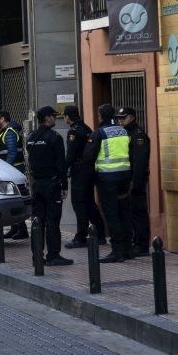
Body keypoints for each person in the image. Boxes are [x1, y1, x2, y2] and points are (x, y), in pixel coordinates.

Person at [84, 105, 132, 263]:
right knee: (123, 212)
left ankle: (117, 250)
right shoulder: (123, 131)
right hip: (125, 177)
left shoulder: (99, 133)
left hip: (107, 179)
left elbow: (88, 157)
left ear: (100, 116)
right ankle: (127, 249)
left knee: (111, 214)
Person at [26, 106, 72, 266]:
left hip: (37, 184)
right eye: (53, 116)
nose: (55, 118)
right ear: (47, 118)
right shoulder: (54, 138)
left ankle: (37, 256)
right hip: (51, 184)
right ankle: (53, 255)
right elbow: (61, 164)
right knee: (53, 221)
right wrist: (64, 184)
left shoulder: (31, 137)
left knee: (38, 221)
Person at [62, 105, 106, 249]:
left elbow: (71, 154)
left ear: (68, 117)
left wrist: (63, 169)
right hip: (89, 170)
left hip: (79, 171)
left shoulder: (74, 132)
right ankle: (100, 234)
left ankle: (80, 237)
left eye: (64, 116)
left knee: (79, 203)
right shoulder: (87, 128)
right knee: (89, 203)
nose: (64, 119)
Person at [117, 107, 151, 257]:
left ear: (131, 117)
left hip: (135, 181)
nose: (119, 121)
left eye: (122, 118)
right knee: (131, 214)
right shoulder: (125, 134)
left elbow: (140, 162)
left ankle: (142, 245)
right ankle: (135, 242)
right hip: (127, 181)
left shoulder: (138, 136)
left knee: (138, 213)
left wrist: (135, 183)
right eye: (118, 118)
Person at [0, 110, 29, 239]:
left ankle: (22, 230)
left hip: (14, 170)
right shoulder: (5, 132)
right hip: (11, 170)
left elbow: (12, 153)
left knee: (17, 200)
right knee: (12, 200)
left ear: (3, 119)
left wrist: (6, 169)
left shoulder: (9, 133)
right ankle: (15, 228)